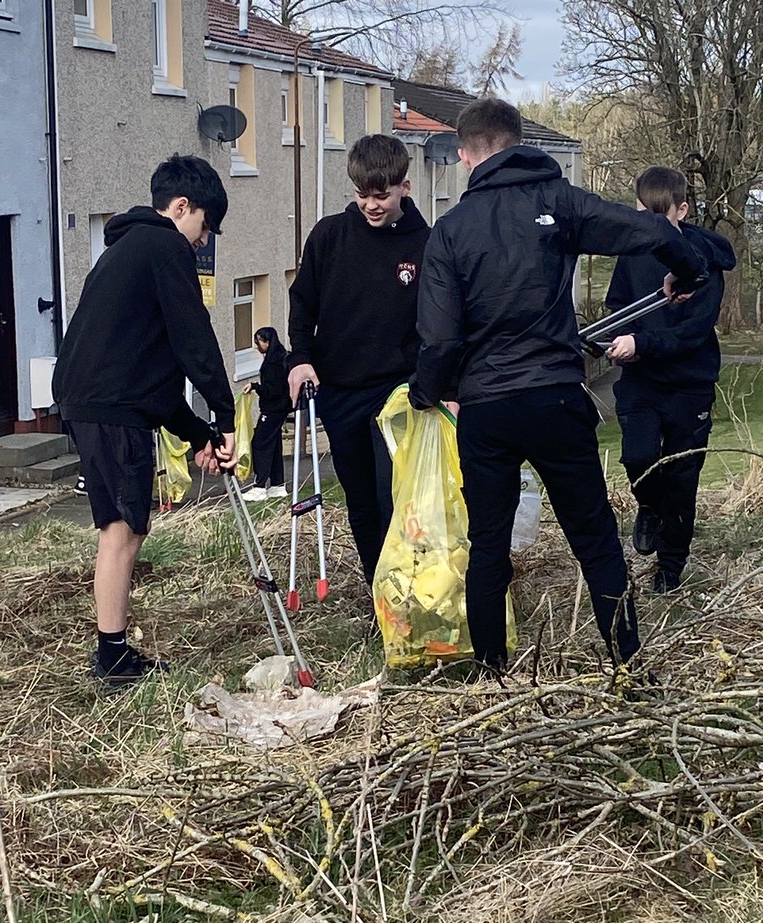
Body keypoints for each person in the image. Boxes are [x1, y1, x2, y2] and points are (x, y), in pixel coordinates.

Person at [410, 98, 705, 673]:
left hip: (487, 408)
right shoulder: (559, 201)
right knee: (593, 536)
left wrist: (429, 388)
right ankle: (627, 661)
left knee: (488, 544)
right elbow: (644, 227)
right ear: (517, 142)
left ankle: (491, 672)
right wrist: (688, 269)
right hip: (555, 397)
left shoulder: (449, 230)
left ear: (467, 155)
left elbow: (440, 339)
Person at [52, 154, 237, 686]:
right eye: (206, 225)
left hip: (96, 402)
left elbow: (151, 378)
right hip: (109, 410)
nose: (204, 240)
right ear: (182, 207)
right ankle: (112, 657)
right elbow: (193, 337)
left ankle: (112, 650)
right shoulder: (163, 246)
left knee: (125, 525)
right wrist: (224, 415)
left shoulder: (126, 249)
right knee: (123, 529)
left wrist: (199, 432)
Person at [287, 134, 430, 587]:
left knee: (396, 499)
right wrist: (299, 358)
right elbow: (302, 301)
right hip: (341, 391)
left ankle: (410, 586)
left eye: (381, 195)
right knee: (362, 501)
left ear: (404, 187)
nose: (371, 204)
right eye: (362, 194)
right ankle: (379, 593)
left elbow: (437, 321)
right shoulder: (330, 234)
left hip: (398, 392)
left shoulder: (426, 243)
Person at [605, 166, 735, 594]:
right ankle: (648, 505)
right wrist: (612, 338)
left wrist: (641, 343)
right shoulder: (631, 253)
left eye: (661, 217)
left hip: (688, 382)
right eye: (644, 215)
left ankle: (671, 566)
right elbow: (617, 306)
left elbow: (692, 333)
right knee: (638, 457)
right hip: (640, 381)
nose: (652, 227)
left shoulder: (703, 265)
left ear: (683, 209)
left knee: (682, 476)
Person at [241, 326, 290, 501]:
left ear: (267, 342)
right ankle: (277, 484)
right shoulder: (282, 357)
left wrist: (256, 387)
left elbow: (272, 390)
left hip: (272, 409)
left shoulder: (272, 364)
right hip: (281, 408)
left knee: (260, 443)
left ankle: (259, 485)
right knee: (274, 445)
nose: (256, 346)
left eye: (258, 342)